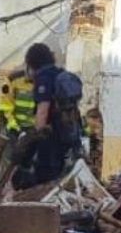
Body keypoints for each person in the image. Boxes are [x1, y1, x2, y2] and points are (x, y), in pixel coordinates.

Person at [24, 42, 85, 186]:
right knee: (61, 177)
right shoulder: (58, 73)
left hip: (51, 138)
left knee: (45, 179)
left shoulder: (44, 78)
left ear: (33, 62)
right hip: (67, 137)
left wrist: (34, 141)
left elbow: (42, 111)